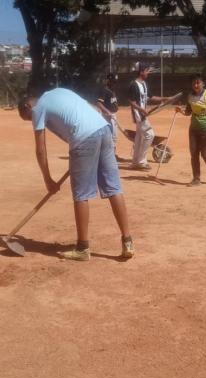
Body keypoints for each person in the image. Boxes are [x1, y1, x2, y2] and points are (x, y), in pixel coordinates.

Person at [18, 87, 134, 261]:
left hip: (84, 137)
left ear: (28, 106)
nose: (32, 120)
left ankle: (82, 248)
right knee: (114, 188)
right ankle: (128, 242)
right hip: (103, 129)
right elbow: (89, 109)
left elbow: (40, 150)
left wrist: (48, 179)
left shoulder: (38, 108)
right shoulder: (58, 92)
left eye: (28, 118)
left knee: (81, 194)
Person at [176, 74, 206, 185]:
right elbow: (188, 112)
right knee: (194, 154)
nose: (196, 85)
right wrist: (180, 111)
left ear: (203, 83)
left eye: (198, 82)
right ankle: (196, 178)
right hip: (193, 130)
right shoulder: (190, 96)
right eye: (194, 83)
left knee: (205, 154)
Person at [128, 62, 171, 170]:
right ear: (141, 71)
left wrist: (164, 98)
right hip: (139, 115)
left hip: (142, 114)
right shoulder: (134, 84)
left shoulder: (144, 84)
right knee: (149, 134)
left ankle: (135, 162)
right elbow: (132, 102)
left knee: (139, 137)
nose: (148, 72)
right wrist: (141, 110)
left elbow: (151, 97)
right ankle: (141, 161)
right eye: (147, 70)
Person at [95, 73, 121, 161]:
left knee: (114, 135)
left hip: (112, 115)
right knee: (112, 135)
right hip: (107, 116)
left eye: (115, 82)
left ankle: (113, 154)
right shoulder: (104, 90)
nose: (115, 83)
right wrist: (107, 112)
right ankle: (111, 155)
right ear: (109, 81)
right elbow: (98, 103)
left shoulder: (112, 90)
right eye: (113, 81)